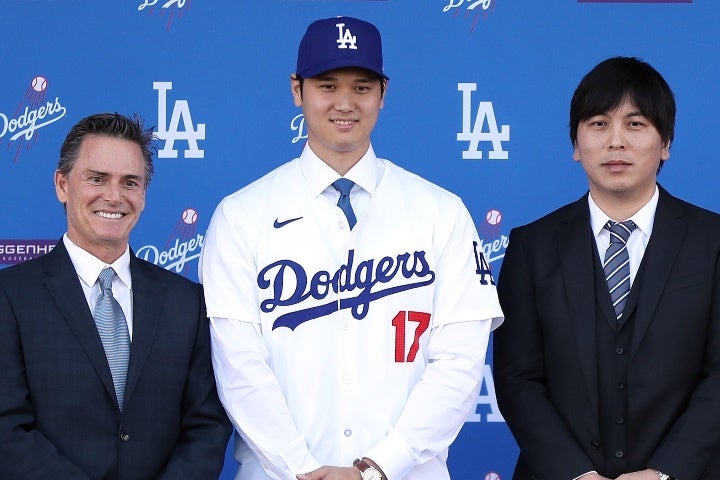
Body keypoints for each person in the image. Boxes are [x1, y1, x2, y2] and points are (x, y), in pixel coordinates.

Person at [199, 16, 503, 480]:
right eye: (327, 85)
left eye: (361, 87)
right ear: (297, 90)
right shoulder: (241, 215)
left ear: (383, 93)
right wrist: (302, 468)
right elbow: (239, 367)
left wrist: (377, 468)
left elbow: (459, 365)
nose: (345, 103)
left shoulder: (442, 212)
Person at [493, 56, 720, 480]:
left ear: (665, 142)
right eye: (598, 124)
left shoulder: (712, 241)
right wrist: (575, 474)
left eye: (635, 124)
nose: (616, 142)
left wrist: (664, 472)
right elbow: (517, 380)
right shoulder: (532, 247)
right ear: (576, 145)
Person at [0, 113, 231, 479]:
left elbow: (206, 428)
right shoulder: (9, 297)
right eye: (97, 178)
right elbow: (6, 431)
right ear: (62, 185)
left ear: (143, 194)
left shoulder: (186, 302)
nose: (114, 196)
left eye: (130, 182)